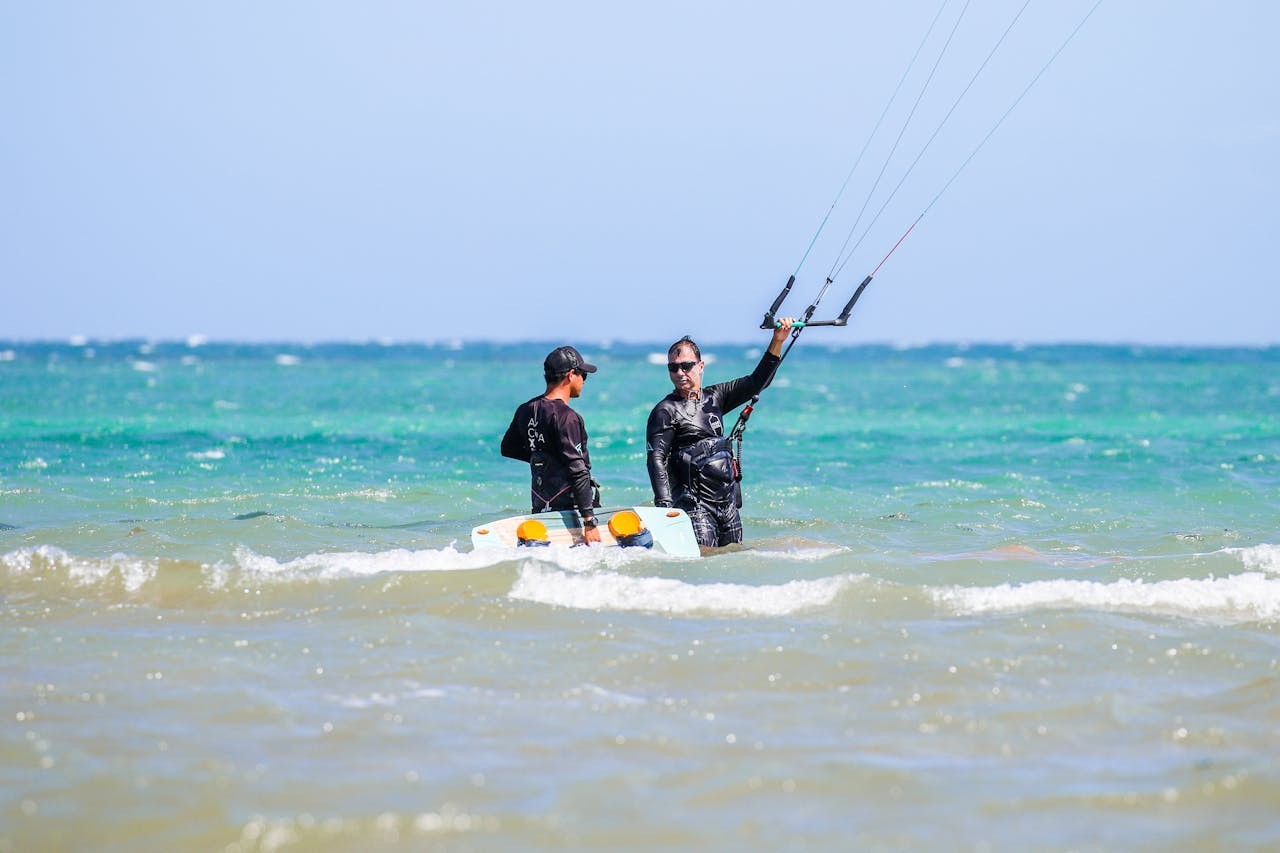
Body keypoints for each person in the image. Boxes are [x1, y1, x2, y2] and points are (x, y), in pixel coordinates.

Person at [646, 319, 795, 548]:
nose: (679, 373)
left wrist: (777, 341)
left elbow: (757, 382)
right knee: (703, 561)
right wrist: (665, 509)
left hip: (727, 505)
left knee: (731, 563)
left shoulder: (715, 397)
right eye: (673, 367)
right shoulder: (665, 411)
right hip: (694, 506)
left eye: (686, 366)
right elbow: (656, 459)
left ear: (700, 365)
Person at [501, 345, 602, 544]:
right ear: (571, 375)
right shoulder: (568, 417)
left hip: (541, 506)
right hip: (570, 510)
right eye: (583, 375)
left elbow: (508, 448)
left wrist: (545, 457)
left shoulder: (525, 409)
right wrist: (590, 521)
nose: (583, 381)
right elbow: (578, 470)